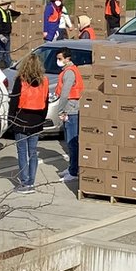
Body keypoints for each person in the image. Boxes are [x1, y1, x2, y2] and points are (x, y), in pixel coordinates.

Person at [8, 54, 48, 194]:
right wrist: (42, 119)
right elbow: (46, 102)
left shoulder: (21, 80)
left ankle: (24, 182)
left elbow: (14, 100)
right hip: (36, 119)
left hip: (21, 119)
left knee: (22, 151)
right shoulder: (44, 80)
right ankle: (31, 182)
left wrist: (10, 118)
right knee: (33, 152)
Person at [55, 49, 82, 183]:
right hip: (70, 108)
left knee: (72, 143)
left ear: (67, 58)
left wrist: (60, 111)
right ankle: (71, 167)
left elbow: (65, 93)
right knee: (69, 141)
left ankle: (73, 171)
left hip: (71, 109)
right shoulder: (68, 71)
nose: (58, 61)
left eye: (60, 58)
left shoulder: (70, 72)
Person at [0, 0, 21, 68]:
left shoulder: (8, 11)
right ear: (7, 4)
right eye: (10, 4)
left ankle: (9, 67)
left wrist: (20, 12)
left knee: (6, 53)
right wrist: (0, 35)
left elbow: (15, 13)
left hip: (6, 35)